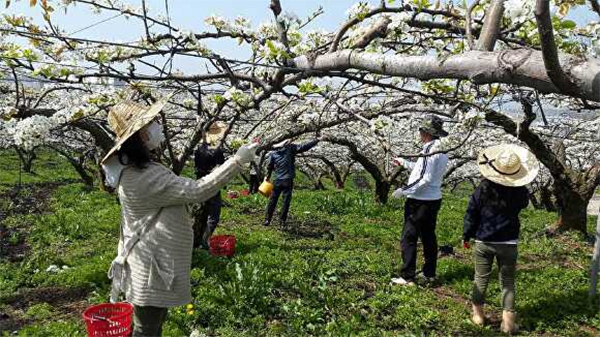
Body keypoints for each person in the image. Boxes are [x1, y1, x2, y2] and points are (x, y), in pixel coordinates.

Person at [100, 99, 257, 337]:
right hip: (149, 269)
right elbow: (197, 190)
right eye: (150, 124)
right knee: (147, 328)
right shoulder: (143, 176)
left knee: (151, 323)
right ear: (139, 136)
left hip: (149, 263)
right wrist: (237, 161)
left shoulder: (133, 170)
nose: (157, 128)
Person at [463, 144, 539, 334]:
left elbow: (471, 213)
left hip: (484, 241)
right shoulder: (520, 191)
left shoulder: (483, 188)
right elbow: (523, 204)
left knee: (480, 278)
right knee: (508, 281)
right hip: (508, 241)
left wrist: (467, 235)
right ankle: (508, 323)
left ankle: (478, 316)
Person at [390, 115, 449, 286]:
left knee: (408, 237)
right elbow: (421, 169)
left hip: (420, 201)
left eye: (421, 131)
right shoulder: (439, 149)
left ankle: (407, 276)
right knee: (428, 236)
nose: (419, 134)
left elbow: (425, 178)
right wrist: (404, 163)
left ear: (426, 133)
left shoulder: (430, 150)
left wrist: (404, 191)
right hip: (433, 199)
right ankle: (429, 273)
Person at [263, 136, 319, 226]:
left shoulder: (273, 153)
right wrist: (316, 140)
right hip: (287, 180)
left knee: (272, 200)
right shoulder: (290, 148)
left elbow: (270, 166)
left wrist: (267, 177)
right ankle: (282, 221)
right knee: (285, 201)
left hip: (277, 179)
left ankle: (267, 220)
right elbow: (303, 147)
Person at [192, 123, 226, 250]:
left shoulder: (199, 150)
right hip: (212, 184)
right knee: (214, 216)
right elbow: (222, 167)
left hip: (199, 183)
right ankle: (204, 241)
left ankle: (196, 239)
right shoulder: (216, 150)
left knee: (201, 212)